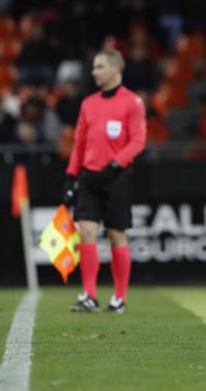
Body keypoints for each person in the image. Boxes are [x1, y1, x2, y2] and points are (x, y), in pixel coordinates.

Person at [63, 49, 147, 313]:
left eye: (99, 66)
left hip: (117, 178)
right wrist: (70, 177)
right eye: (94, 67)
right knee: (85, 231)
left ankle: (119, 297)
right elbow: (79, 144)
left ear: (115, 69)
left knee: (115, 234)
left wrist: (115, 164)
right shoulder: (88, 103)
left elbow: (138, 140)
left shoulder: (132, 102)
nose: (94, 71)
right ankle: (89, 294)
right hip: (89, 175)